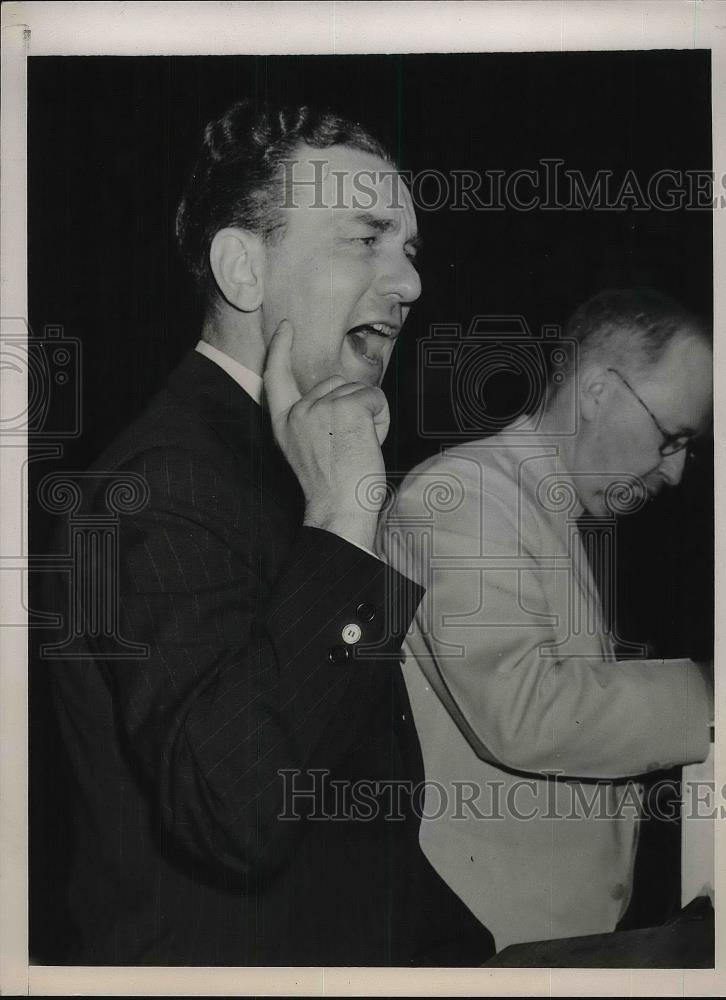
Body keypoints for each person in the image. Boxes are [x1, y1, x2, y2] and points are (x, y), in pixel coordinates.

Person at [47, 99, 494, 966]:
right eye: (365, 240)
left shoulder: (280, 459)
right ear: (242, 270)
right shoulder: (150, 486)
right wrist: (338, 523)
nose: (409, 285)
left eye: (408, 251)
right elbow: (238, 812)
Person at [380, 288, 714, 950]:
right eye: (671, 437)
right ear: (596, 391)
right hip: (484, 942)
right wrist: (709, 690)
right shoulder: (464, 496)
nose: (675, 472)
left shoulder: (548, 510)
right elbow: (525, 711)